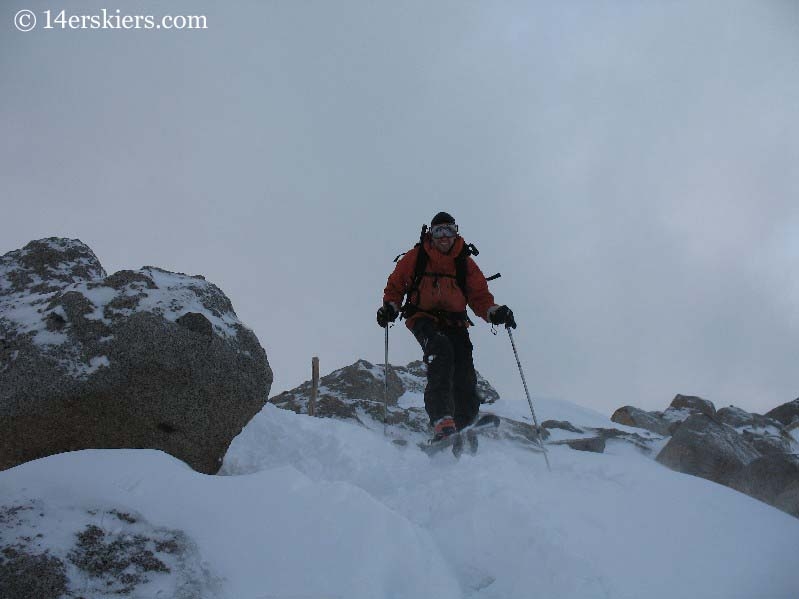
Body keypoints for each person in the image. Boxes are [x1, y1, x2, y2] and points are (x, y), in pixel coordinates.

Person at [377, 211, 516, 442]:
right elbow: (395, 285)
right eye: (438, 231)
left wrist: (495, 312)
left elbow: (480, 296)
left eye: (448, 230)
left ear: (456, 233)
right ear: (430, 234)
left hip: (456, 321)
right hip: (422, 316)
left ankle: (465, 425)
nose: (443, 236)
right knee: (439, 350)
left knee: (464, 367)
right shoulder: (416, 256)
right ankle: (441, 420)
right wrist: (390, 307)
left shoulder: (465, 262)